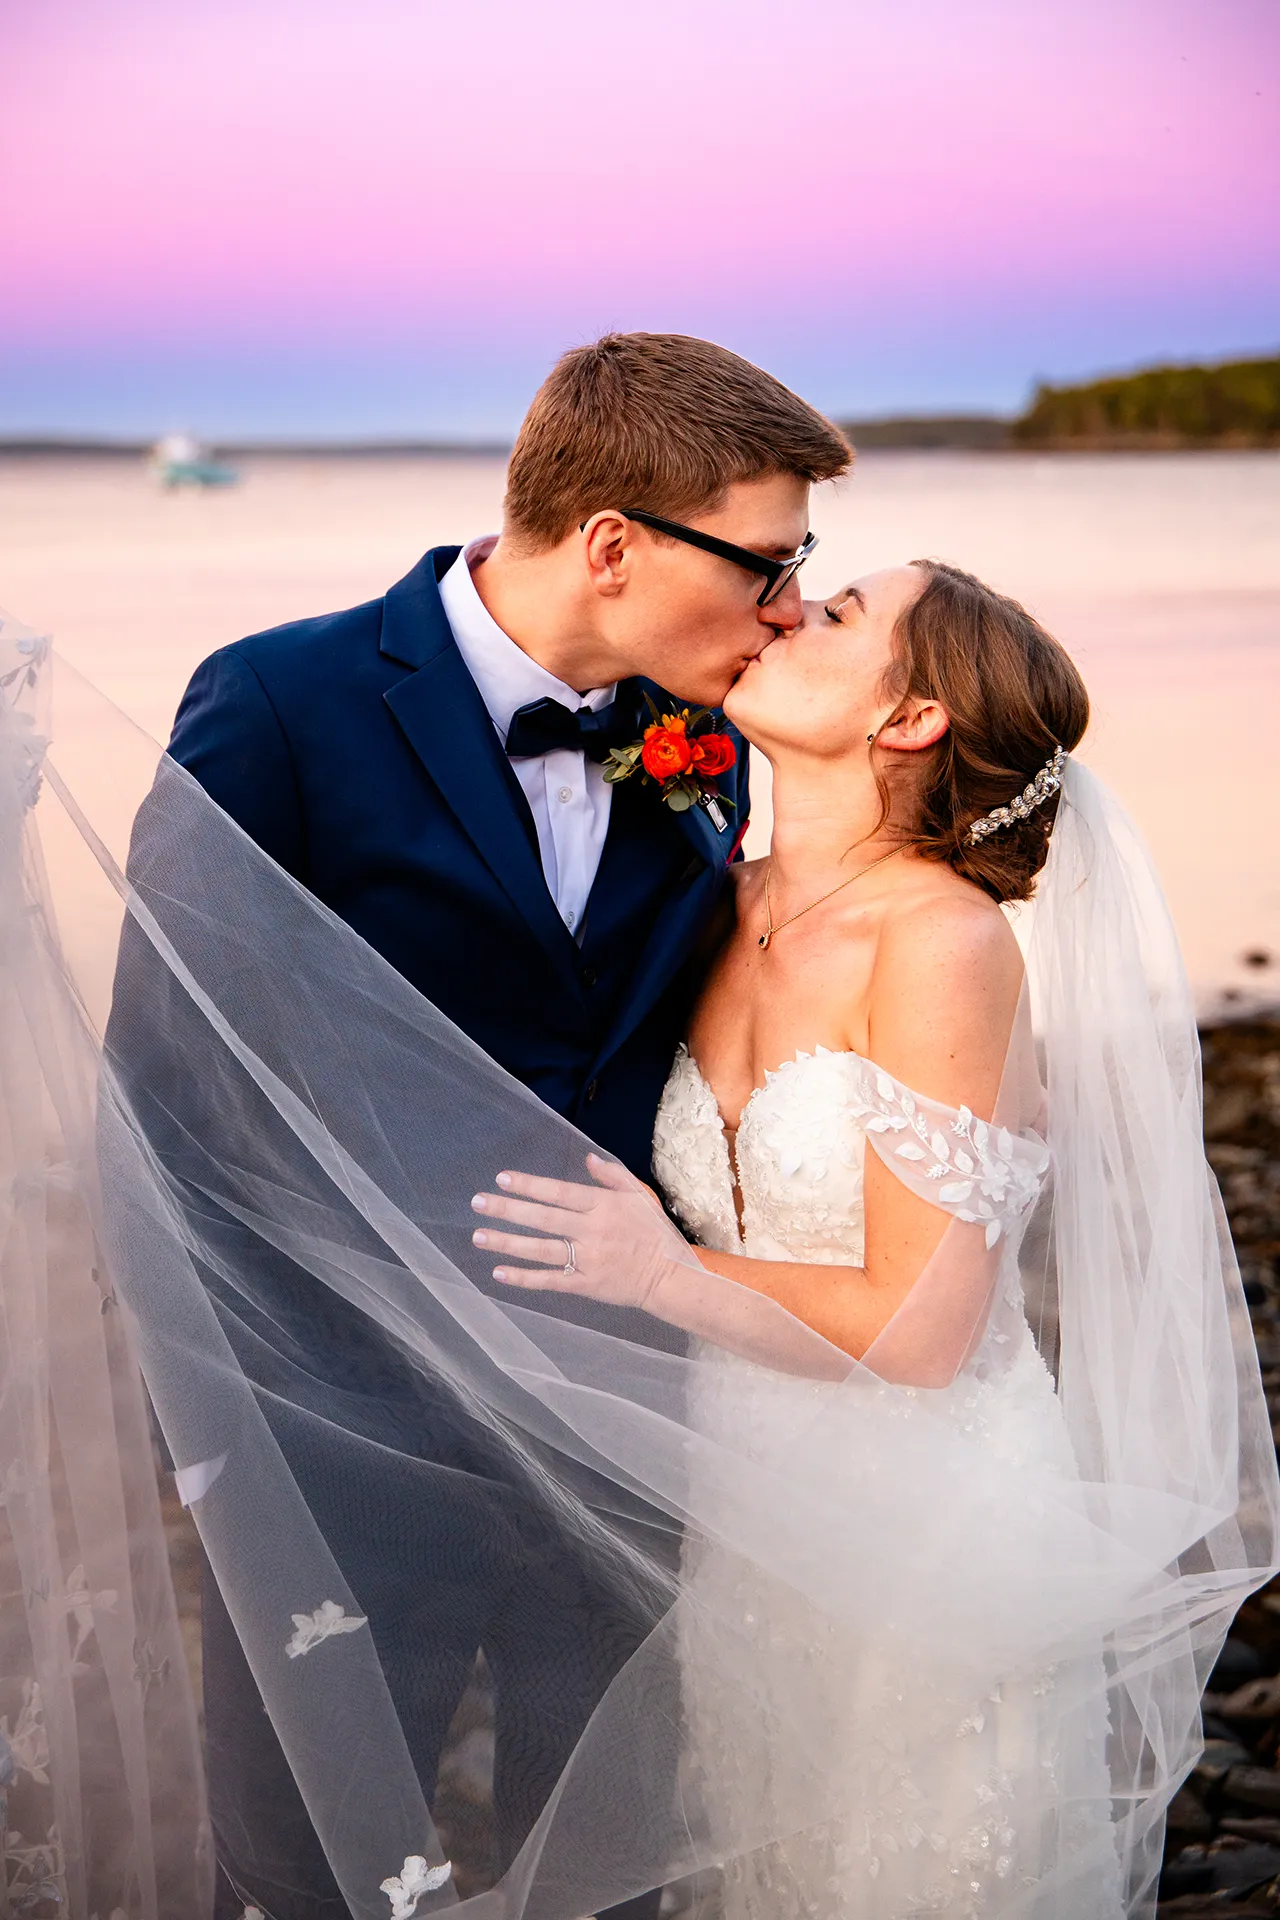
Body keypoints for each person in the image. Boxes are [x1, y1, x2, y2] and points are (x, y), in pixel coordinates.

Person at [147, 331, 851, 1920]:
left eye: (805, 568)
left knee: (609, 1862)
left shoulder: (717, 732)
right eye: (768, 563)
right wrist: (213, 1440)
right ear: (614, 544)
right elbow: (170, 1096)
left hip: (627, 1419)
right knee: (308, 1863)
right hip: (346, 1430)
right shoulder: (280, 705)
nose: (790, 606)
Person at [466, 560, 1278, 1914]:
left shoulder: (946, 946)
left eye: (837, 613)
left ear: (908, 721)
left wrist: (659, 1272)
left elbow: (922, 1331)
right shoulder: (709, 894)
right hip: (742, 1509)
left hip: (926, 1538)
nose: (787, 610)